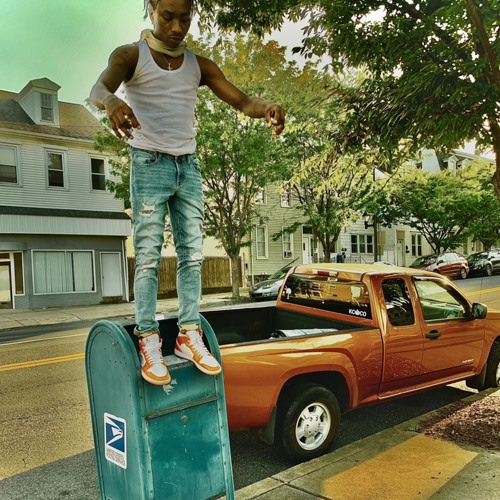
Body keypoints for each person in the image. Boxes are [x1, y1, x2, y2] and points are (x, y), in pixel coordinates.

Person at [90, 0, 285, 385]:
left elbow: (243, 101)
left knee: (192, 254)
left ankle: (188, 334)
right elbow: (99, 88)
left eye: (185, 18)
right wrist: (111, 100)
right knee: (148, 255)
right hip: (149, 164)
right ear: (151, 9)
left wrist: (267, 108)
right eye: (168, 17)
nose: (177, 27)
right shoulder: (131, 56)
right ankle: (148, 339)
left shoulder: (200, 66)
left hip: (189, 167)